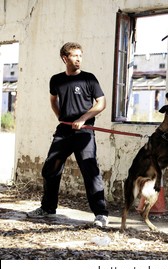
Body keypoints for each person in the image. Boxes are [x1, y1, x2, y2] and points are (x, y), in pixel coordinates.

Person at [27, 42, 109, 227]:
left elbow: (101, 103)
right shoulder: (56, 80)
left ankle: (101, 214)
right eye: (75, 55)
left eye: (80, 55)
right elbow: (53, 100)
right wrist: (61, 117)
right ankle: (48, 208)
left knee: (90, 171)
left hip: (84, 132)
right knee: (50, 168)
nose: (79, 59)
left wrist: (83, 118)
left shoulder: (89, 79)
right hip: (64, 131)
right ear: (65, 58)